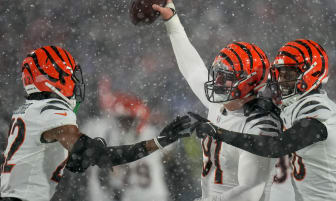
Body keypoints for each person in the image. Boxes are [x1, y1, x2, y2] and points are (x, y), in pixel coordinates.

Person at [0, 46, 193, 201]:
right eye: (70, 76)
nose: (75, 82)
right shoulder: (53, 112)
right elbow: (99, 156)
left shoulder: (27, 110)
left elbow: (76, 162)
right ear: (53, 78)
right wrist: (157, 142)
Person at [153, 0, 282, 201]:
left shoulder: (261, 125)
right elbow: (192, 68)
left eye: (226, 77)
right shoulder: (222, 105)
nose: (217, 81)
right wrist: (172, 21)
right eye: (218, 74)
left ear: (248, 82)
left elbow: (251, 191)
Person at [191, 39, 336, 201]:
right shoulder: (296, 105)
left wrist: (219, 132)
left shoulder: (318, 108)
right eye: (280, 74)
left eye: (289, 74)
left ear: (313, 72)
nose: (282, 80)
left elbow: (276, 146)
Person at [83, 77, 169, 201]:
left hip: (148, 196)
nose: (124, 124)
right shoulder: (107, 133)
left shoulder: (150, 134)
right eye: (122, 120)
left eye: (128, 120)